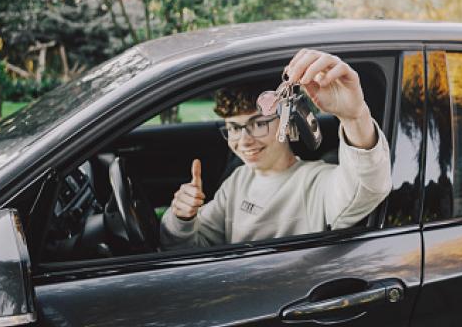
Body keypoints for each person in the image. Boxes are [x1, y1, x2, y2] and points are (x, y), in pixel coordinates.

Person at [160, 49, 392, 247]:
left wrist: (354, 117)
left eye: (259, 124)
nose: (244, 141)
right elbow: (190, 249)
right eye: (233, 128)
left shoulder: (316, 182)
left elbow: (369, 186)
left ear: (287, 122)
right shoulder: (238, 181)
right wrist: (182, 218)